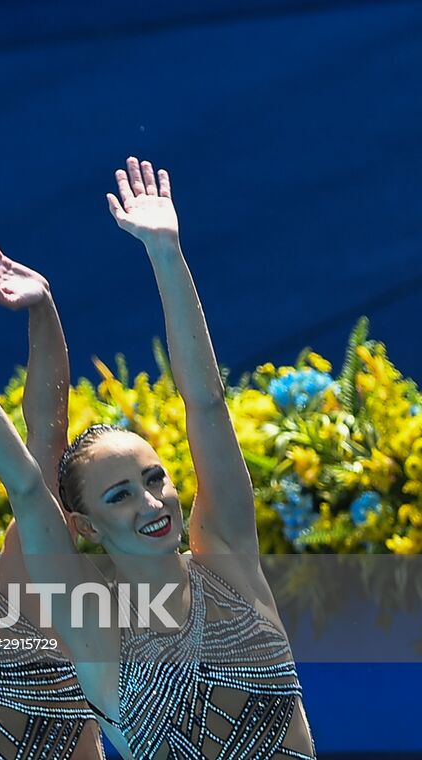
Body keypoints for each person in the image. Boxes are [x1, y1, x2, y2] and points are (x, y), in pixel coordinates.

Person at [40, 158, 312, 758]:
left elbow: (207, 405)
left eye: (154, 477)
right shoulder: (91, 621)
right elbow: (29, 488)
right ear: (83, 526)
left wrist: (167, 255)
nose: (151, 500)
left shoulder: (226, 559)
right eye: (119, 495)